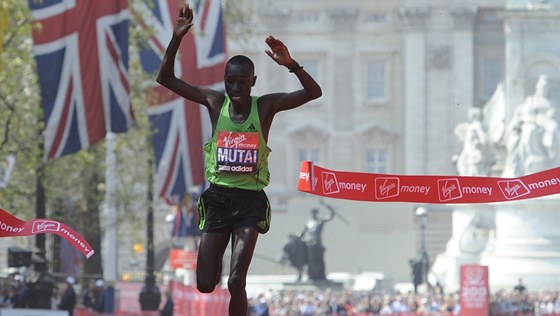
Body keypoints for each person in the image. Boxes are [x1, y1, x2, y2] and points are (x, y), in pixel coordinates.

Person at [156, 4, 322, 316]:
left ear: (253, 82)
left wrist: (292, 64)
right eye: (230, 81)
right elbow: (165, 78)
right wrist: (177, 37)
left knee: (236, 280)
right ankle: (213, 260)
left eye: (241, 82)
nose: (235, 88)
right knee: (205, 283)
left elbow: (314, 92)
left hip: (250, 201)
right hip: (218, 198)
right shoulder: (214, 102)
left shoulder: (265, 108)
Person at [301, 206, 334, 281]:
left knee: (319, 260)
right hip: (309, 244)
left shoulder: (320, 221)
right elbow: (303, 233)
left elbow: (330, 217)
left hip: (318, 243)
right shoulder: (308, 223)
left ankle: (321, 275)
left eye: (315, 212)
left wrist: (331, 209)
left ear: (317, 213)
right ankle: (311, 275)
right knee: (311, 260)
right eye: (313, 212)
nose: (314, 214)